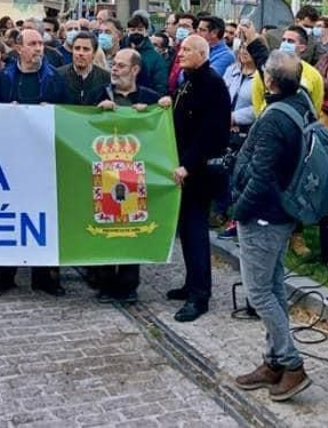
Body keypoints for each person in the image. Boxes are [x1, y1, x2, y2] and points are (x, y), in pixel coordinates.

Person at [228, 52, 314, 401]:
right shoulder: (300, 101)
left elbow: (261, 176)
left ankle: (292, 365)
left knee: (259, 292)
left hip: (264, 214)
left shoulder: (274, 119)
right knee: (274, 286)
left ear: (270, 81)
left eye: (264, 73)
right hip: (282, 213)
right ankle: (273, 362)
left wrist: (239, 210)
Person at [84, 48, 169, 304]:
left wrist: (159, 109)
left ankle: (129, 284)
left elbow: (161, 130)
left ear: (135, 70)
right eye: (114, 64)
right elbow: (80, 124)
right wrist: (96, 111)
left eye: (121, 65)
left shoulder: (148, 97)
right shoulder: (99, 94)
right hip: (103, 174)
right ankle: (105, 282)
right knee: (107, 226)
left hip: (135, 177)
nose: (115, 69)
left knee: (132, 227)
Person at [168, 32, 231, 323]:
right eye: (180, 49)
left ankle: (199, 296)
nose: (180, 53)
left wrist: (188, 165)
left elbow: (211, 134)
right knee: (186, 231)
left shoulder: (212, 84)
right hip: (186, 167)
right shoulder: (190, 81)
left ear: (202, 54)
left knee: (195, 232)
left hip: (200, 172)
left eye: (186, 49)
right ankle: (191, 282)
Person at [250, 26, 326, 124]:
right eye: (283, 40)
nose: (285, 44)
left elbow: (315, 107)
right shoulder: (267, 69)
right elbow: (257, 100)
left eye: (290, 41)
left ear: (302, 47)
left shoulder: (314, 76)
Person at [43, 33, 112, 106]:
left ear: (94, 53)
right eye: (77, 48)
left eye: (86, 49)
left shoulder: (105, 78)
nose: (80, 53)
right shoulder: (57, 76)